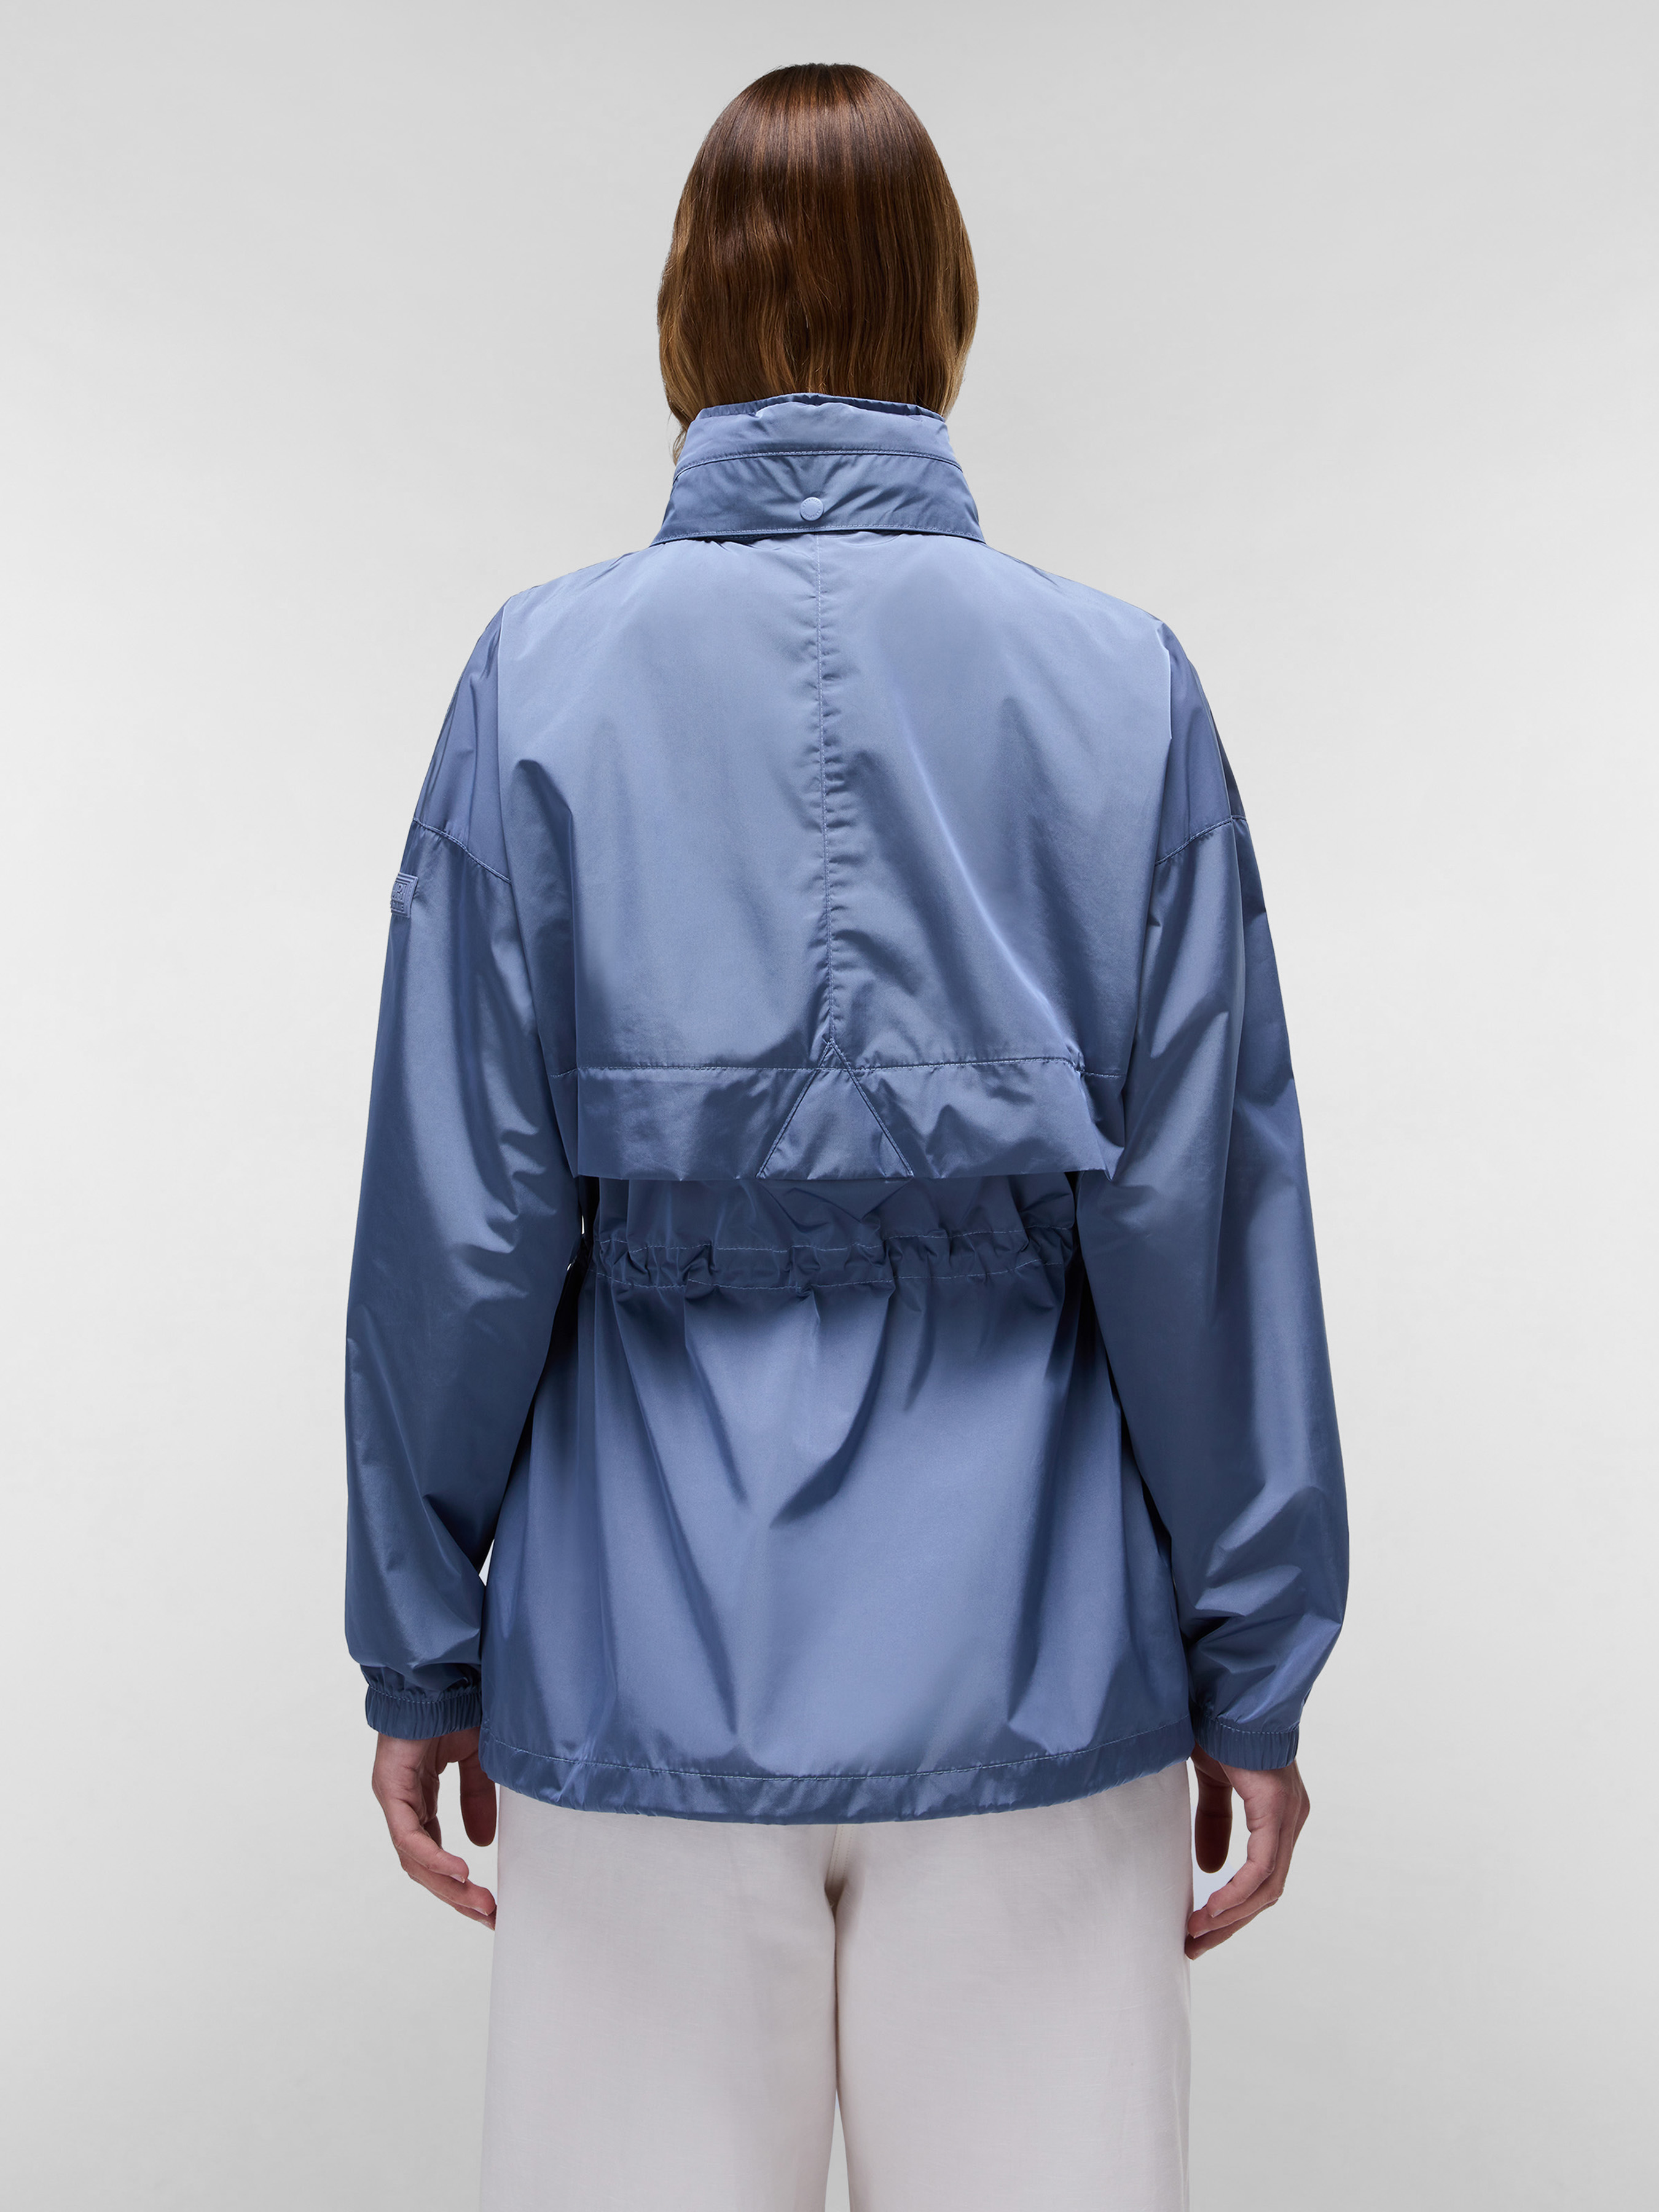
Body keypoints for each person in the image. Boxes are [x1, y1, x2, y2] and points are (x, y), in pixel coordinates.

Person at [344, 61, 1346, 2212]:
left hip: (634, 1667)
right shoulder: (1121, 685)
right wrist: (1252, 1673)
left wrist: (420, 1644)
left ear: (685, 310)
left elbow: (461, 1223)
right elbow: (1201, 1227)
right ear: (943, 306)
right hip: (1033, 1669)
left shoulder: (538, 682)